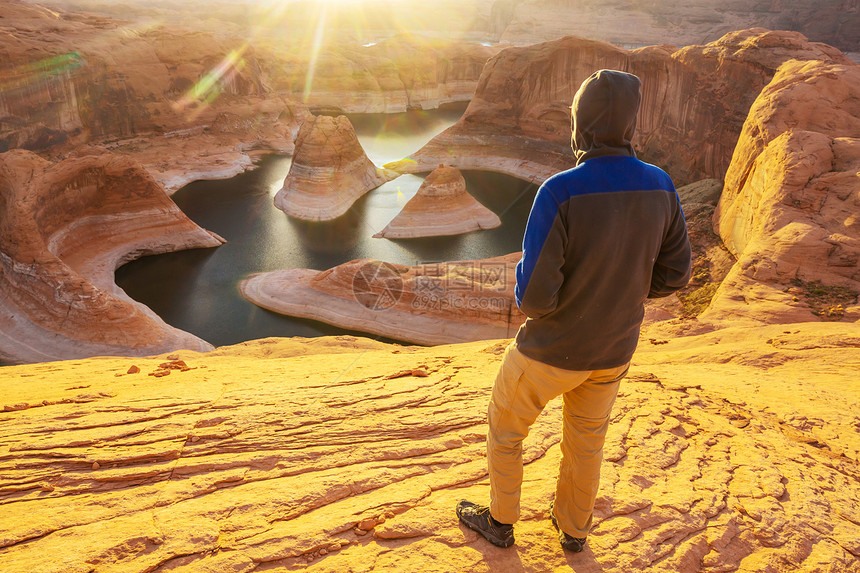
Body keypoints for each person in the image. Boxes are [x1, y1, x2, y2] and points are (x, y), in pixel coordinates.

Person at [455, 69, 692, 552]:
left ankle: (500, 521)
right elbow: (675, 276)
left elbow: (536, 297)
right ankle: (574, 530)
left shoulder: (560, 191)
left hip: (549, 352)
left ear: (580, 123)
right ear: (630, 123)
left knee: (505, 430)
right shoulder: (662, 185)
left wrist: (539, 297)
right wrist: (619, 292)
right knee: (586, 442)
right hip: (614, 351)